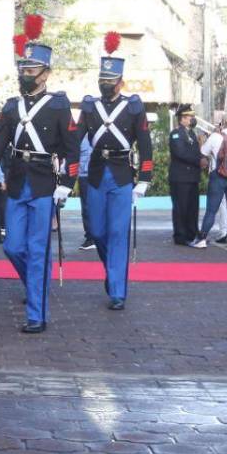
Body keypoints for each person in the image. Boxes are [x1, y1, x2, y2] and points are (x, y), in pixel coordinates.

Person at [0, 16, 78, 333]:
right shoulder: (11, 105)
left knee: (38, 248)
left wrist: (68, 184)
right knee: (13, 247)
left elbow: (72, 147)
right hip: (17, 181)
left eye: (31, 71)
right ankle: (34, 282)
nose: (25, 75)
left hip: (45, 182)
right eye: (23, 70)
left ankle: (37, 313)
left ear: (46, 73)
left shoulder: (58, 105)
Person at [76, 35, 153, 310]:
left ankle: (117, 289)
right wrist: (64, 167)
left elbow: (145, 145)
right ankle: (113, 270)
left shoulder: (133, 107)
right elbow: (76, 139)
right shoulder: (89, 106)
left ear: (120, 82)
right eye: (102, 79)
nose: (105, 83)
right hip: (95, 173)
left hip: (121, 174)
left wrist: (144, 180)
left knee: (118, 232)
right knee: (97, 231)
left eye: (110, 80)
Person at [191, 112, 227, 248]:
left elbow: (203, 152)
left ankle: (202, 239)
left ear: (223, 122)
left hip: (219, 176)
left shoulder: (216, 136)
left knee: (212, 210)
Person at [168, 104, 203, 245]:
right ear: (182, 119)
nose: (192, 119)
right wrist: (199, 160)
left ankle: (192, 232)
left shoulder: (191, 133)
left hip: (192, 177)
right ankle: (180, 235)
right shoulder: (176, 134)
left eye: (192, 116)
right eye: (189, 117)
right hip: (181, 177)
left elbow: (194, 151)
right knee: (181, 208)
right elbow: (181, 153)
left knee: (192, 207)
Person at [76, 135, 95, 251]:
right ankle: (90, 238)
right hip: (84, 175)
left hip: (98, 174)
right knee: (86, 208)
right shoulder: (80, 135)